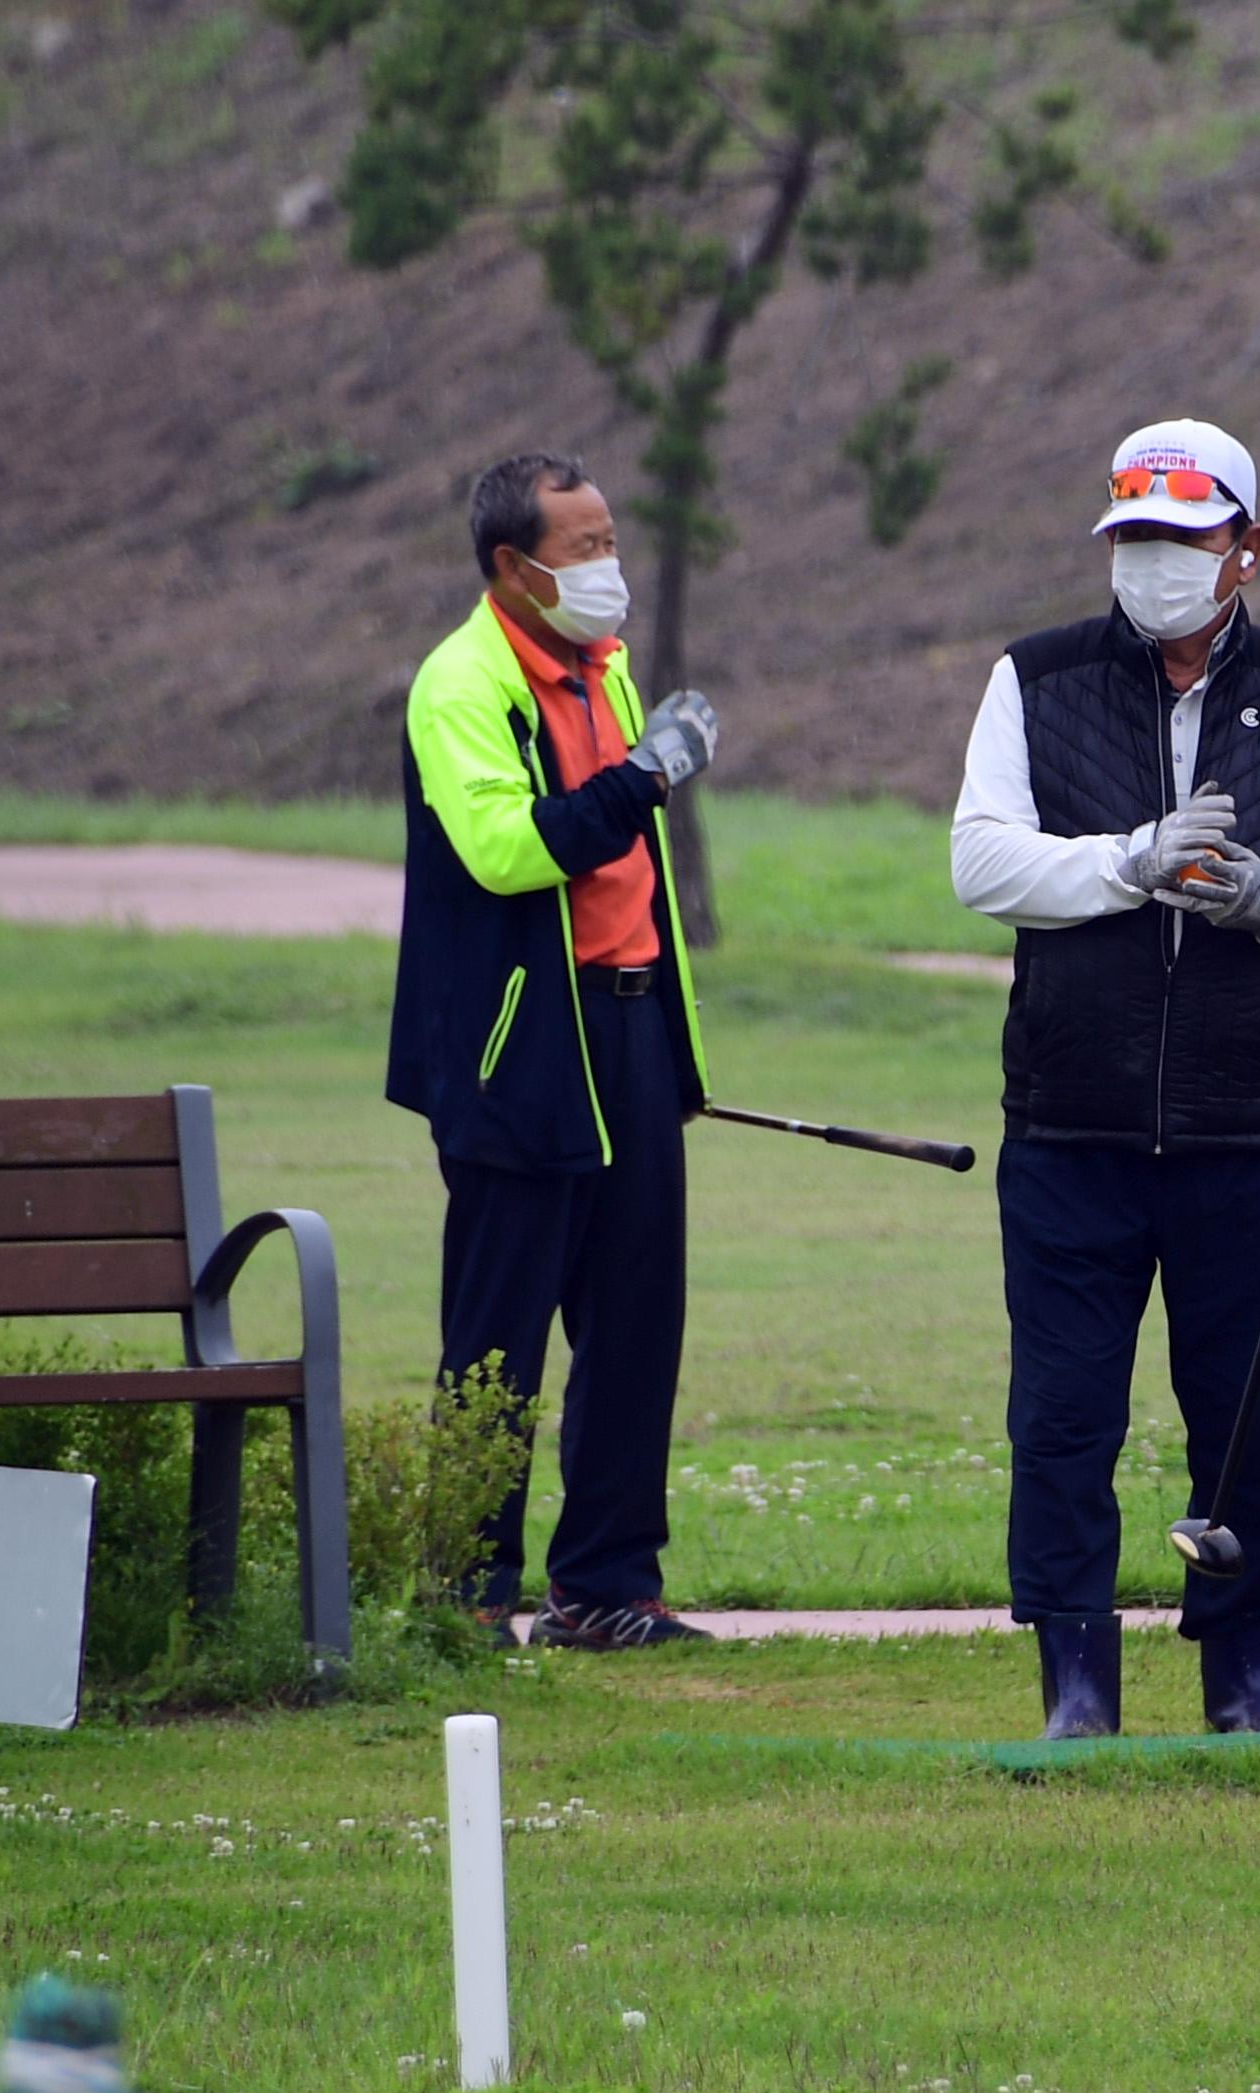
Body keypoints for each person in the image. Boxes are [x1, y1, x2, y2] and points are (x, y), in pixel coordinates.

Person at [950, 418, 1260, 1738]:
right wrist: (1130, 860)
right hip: (1069, 1121)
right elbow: (981, 863)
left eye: (1185, 539)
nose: (1156, 563)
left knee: (1241, 1418)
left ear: (1245, 550)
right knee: (1064, 1417)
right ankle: (1077, 1689)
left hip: (1241, 1125)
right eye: (1135, 537)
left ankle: (1245, 1688)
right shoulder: (1038, 677)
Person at [387, 450, 724, 1651]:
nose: (608, 565)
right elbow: (507, 850)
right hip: (518, 1043)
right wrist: (642, 777)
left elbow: (631, 873)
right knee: (498, 1327)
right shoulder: (461, 683)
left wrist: (674, 1054)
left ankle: (607, 1586)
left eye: (609, 539)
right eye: (582, 548)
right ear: (510, 567)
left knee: (637, 1316)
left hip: (629, 1023)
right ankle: (467, 1597)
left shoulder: (608, 668)